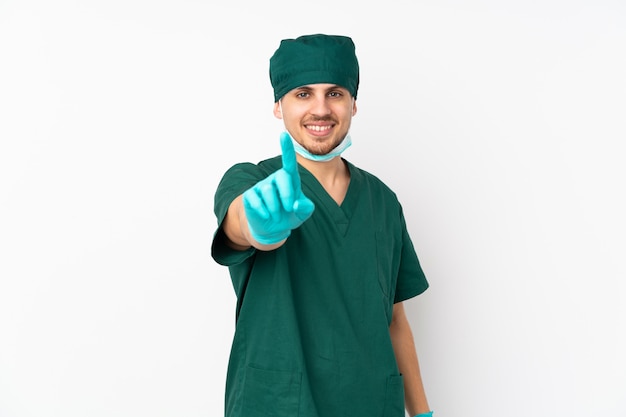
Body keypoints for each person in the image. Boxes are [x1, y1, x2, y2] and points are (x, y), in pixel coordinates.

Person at [211, 33, 434, 417]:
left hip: (370, 404)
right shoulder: (250, 182)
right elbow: (238, 222)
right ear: (278, 106)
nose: (320, 109)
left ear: (353, 104)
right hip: (278, 405)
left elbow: (396, 320)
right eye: (302, 94)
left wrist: (423, 412)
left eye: (335, 93)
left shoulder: (383, 202)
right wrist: (257, 229)